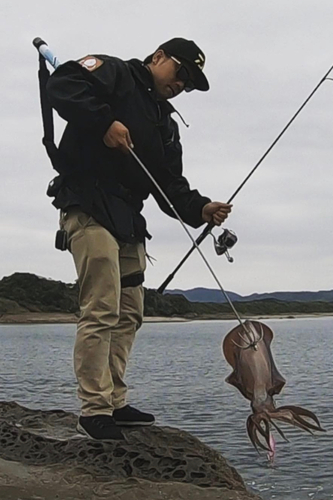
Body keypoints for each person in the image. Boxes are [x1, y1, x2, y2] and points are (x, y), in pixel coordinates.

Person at [46, 38, 232, 440]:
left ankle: (114, 399)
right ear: (159, 57)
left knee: (130, 311)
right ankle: (93, 410)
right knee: (101, 307)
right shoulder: (115, 72)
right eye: (180, 72)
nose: (182, 83)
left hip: (129, 218)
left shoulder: (165, 124)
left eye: (190, 82)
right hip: (89, 203)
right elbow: (61, 84)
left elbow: (170, 186)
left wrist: (200, 209)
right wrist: (103, 122)